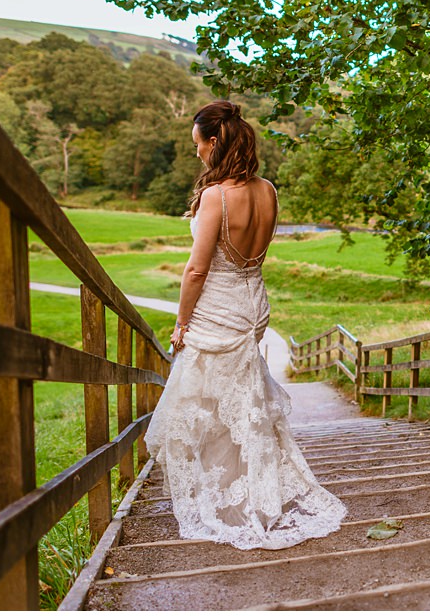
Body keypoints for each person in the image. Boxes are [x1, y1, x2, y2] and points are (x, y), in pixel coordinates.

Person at [144, 100, 346, 550]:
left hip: (218, 307)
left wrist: (181, 322)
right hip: (253, 302)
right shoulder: (268, 190)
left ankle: (228, 499)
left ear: (214, 142)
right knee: (242, 405)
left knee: (198, 407)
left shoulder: (217, 197)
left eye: (198, 145)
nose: (196, 153)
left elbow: (196, 270)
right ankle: (247, 490)